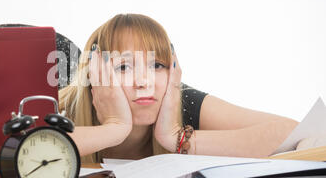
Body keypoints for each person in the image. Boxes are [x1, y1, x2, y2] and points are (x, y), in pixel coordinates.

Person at [58, 14, 299, 163]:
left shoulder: (178, 99)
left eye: (157, 65)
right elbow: (20, 152)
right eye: (123, 67)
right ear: (95, 74)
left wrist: (176, 138)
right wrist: (114, 128)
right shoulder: (63, 106)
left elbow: (293, 134)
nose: (144, 81)